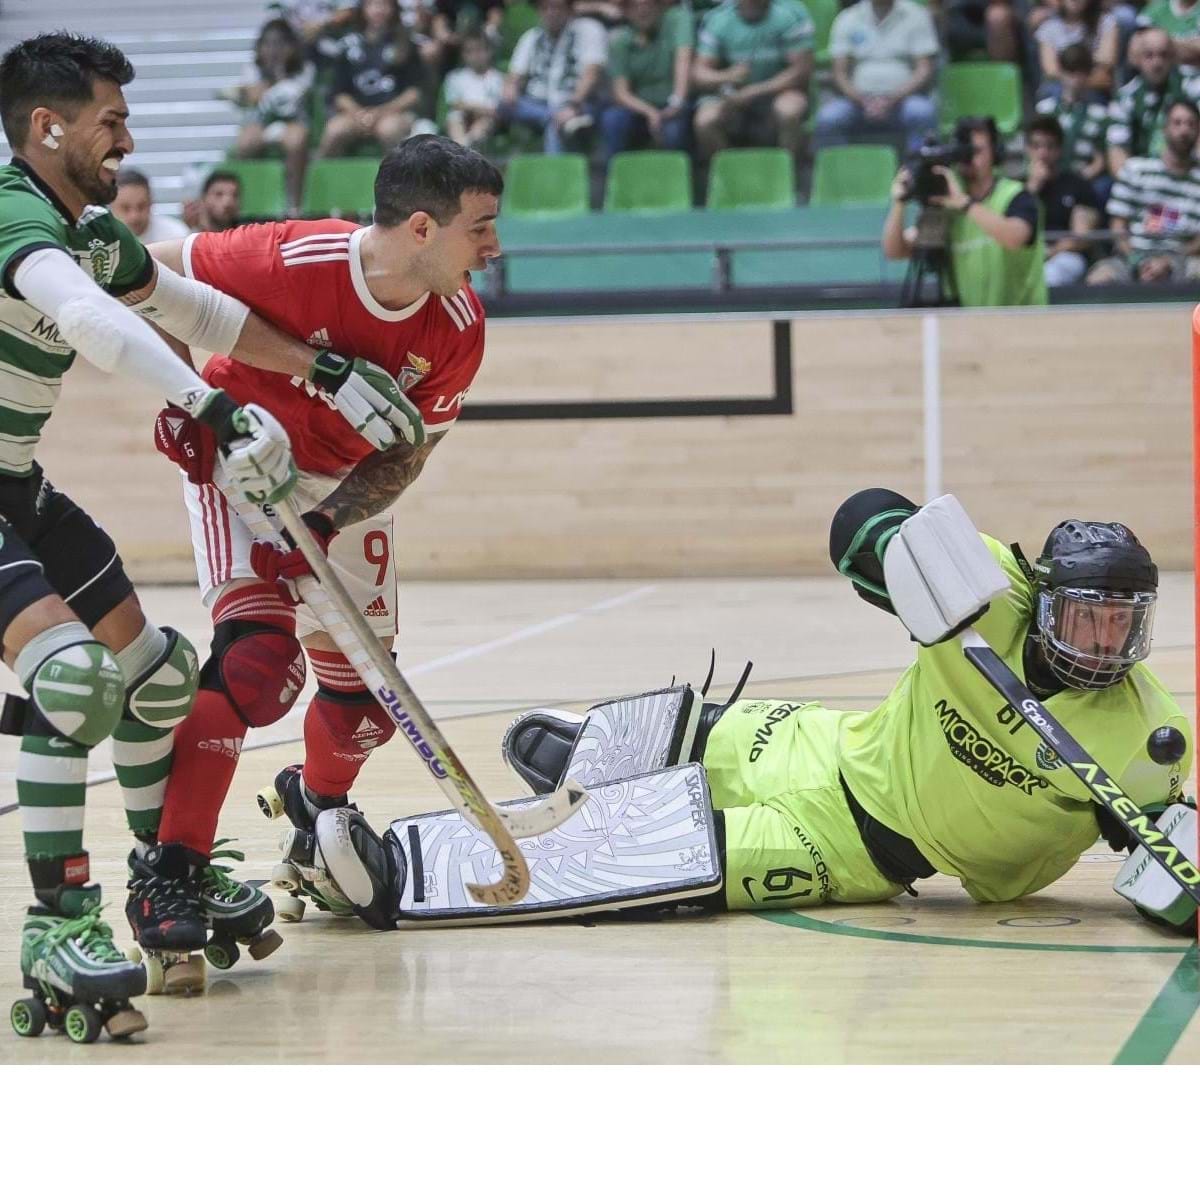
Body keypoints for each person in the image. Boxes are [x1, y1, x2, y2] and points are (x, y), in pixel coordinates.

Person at [305, 493, 1195, 936]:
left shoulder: (1146, 740)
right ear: (1044, 602)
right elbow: (857, 522)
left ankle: (400, 873)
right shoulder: (985, 589)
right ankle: (608, 762)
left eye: (1123, 624)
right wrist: (891, 552)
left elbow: (1167, 877)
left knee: (661, 862)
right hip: (820, 744)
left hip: (857, 848)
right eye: (1086, 616)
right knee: (673, 724)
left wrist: (1173, 870)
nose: (1103, 642)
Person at [0, 31, 308, 1040]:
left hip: (19, 487)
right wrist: (211, 412)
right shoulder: (14, 219)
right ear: (48, 127)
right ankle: (55, 924)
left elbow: (194, 309)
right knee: (78, 679)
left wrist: (326, 371)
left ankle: (161, 882)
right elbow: (89, 321)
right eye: (110, 121)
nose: (126, 140)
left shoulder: (84, 227)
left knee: (159, 675)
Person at [144, 135, 502, 930]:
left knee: (367, 707)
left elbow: (411, 454)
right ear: (420, 228)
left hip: (343, 493)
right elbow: (143, 273)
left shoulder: (459, 327)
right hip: (241, 463)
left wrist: (326, 518)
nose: (494, 246)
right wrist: (180, 400)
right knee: (258, 664)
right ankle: (172, 872)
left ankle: (316, 809)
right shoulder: (290, 258)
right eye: (479, 227)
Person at [882, 116, 1048, 306]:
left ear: (995, 152)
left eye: (976, 151)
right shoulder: (949, 206)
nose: (968, 159)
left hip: (1024, 323)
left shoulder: (1015, 196)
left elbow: (1015, 237)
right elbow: (895, 251)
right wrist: (899, 203)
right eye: (963, 151)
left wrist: (965, 204)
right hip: (970, 327)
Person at [1089, 96, 1200, 281]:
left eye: (1191, 124)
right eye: (1177, 123)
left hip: (1183, 259)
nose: (1184, 130)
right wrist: (1138, 261)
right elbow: (1118, 227)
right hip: (1132, 256)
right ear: (1164, 129)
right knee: (1099, 277)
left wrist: (1169, 261)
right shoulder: (1136, 170)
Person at [692, 0, 814, 163]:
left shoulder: (791, 14)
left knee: (789, 111)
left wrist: (754, 91)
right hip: (732, 95)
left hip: (779, 91)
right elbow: (699, 73)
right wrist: (727, 76)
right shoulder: (718, 19)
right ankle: (730, 175)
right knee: (705, 120)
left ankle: (788, 174)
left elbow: (800, 71)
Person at [814, 0, 939, 155]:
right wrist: (863, 101)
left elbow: (924, 69)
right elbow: (839, 73)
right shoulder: (848, 17)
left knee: (922, 112)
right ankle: (837, 175)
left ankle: (919, 175)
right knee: (829, 118)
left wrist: (891, 99)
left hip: (903, 101)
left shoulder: (916, 15)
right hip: (857, 103)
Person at [317, 0, 433, 157]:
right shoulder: (348, 45)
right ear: (363, 9)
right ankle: (319, 179)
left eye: (385, 4)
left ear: (394, 9)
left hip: (395, 113)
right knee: (334, 129)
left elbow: (414, 93)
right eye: (372, 4)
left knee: (388, 129)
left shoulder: (404, 44)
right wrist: (359, 114)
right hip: (357, 113)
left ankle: (394, 180)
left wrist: (380, 113)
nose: (379, 9)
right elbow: (339, 94)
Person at [225, 17, 315, 213]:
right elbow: (250, 96)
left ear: (291, 46)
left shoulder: (304, 70)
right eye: (268, 44)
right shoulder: (252, 69)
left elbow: (293, 97)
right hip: (261, 125)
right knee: (245, 143)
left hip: (292, 124)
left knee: (297, 141)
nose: (274, 50)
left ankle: (294, 203)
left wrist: (279, 74)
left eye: (280, 43)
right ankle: (249, 201)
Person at [498, 0, 609, 155]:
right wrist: (510, 89)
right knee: (503, 105)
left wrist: (573, 105)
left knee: (555, 123)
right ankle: (556, 118)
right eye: (545, 7)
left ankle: (556, 171)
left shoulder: (589, 29)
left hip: (579, 102)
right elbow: (514, 75)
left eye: (557, 7)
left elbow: (592, 73)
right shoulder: (531, 37)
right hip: (538, 104)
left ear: (569, 9)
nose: (551, 12)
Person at [599, 0, 693, 160]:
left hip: (673, 106)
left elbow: (683, 59)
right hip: (638, 109)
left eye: (648, 3)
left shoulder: (677, 20)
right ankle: (615, 179)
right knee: (612, 119)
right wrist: (650, 112)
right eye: (635, 5)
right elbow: (621, 93)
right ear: (626, 11)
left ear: (659, 6)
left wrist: (676, 102)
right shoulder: (620, 41)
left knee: (673, 131)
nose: (642, 10)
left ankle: (678, 181)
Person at [1107, 27, 1200, 176]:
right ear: (1137, 60)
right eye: (1149, 55)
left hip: (1188, 172)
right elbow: (1117, 150)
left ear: (1174, 57)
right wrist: (1133, 183)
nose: (1157, 62)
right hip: (1143, 176)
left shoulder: (1194, 85)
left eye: (1163, 55)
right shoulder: (1126, 96)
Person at [1025, 114, 1102, 286]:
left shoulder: (1077, 185)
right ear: (1027, 149)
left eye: (1049, 147)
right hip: (1026, 256)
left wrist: (1051, 251)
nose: (1042, 153)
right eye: (1036, 146)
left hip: (1065, 256)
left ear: (1059, 150)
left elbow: (1081, 237)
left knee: (1049, 276)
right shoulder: (1017, 189)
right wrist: (1033, 187)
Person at [1033, 44, 1109, 188]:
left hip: (1083, 178)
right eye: (1071, 72)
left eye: (1082, 73)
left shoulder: (1100, 114)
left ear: (1088, 75)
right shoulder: (1045, 109)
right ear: (1061, 72)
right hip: (1050, 177)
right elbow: (1035, 150)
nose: (1076, 79)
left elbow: (1100, 159)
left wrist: (1081, 178)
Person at [1036, 0, 1120, 96]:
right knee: (1052, 88)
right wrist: (1074, 80)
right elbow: (1051, 71)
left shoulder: (1106, 22)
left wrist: (1081, 78)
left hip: (1095, 88)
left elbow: (1106, 60)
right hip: (1062, 86)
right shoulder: (1048, 27)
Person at [443, 32, 504, 149]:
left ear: (489, 51)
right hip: (463, 118)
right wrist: (476, 109)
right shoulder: (455, 77)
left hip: (487, 122)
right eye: (470, 51)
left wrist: (471, 108)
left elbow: (496, 110)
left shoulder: (497, 78)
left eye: (480, 50)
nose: (476, 55)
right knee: (454, 117)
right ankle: (460, 147)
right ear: (463, 55)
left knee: (486, 121)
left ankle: (463, 149)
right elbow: (455, 104)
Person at [110, 167, 190, 243]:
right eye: (125, 208)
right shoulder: (100, 239)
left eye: (141, 206)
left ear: (151, 203)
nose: (134, 216)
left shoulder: (177, 236)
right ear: (111, 206)